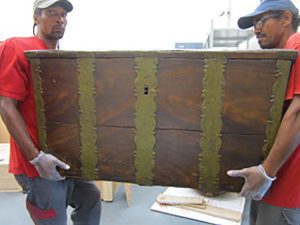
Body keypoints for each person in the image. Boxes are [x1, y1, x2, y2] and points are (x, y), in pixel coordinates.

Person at [0, 0, 101, 224]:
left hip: (65, 159)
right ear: (36, 18)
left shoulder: (61, 58)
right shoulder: (17, 47)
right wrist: (37, 158)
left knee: (91, 197)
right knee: (53, 218)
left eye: (64, 15)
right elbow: (6, 105)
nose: (60, 19)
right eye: (51, 13)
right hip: (37, 165)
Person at [227, 0, 300, 224]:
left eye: (261, 20)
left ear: (286, 18)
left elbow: (298, 114)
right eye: (254, 24)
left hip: (286, 186)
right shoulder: (281, 58)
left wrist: (266, 172)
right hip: (270, 181)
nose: (256, 28)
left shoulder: (297, 47)